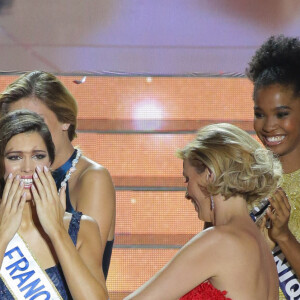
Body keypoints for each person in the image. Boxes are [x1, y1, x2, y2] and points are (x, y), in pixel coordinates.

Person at [125, 123, 281, 299]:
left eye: (187, 179)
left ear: (209, 174)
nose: (186, 193)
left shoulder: (219, 241)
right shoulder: (262, 249)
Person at [0, 71, 116, 279]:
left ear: (66, 120)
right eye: (16, 121)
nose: (26, 130)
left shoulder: (91, 179)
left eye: (36, 119)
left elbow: (84, 274)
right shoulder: (9, 178)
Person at [0, 110, 108, 299]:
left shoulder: (82, 229)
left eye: (38, 156)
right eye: (15, 157)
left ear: (50, 161)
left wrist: (57, 231)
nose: (27, 167)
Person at [246, 35, 300, 299]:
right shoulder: (242, 180)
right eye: (259, 114)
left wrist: (284, 237)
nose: (268, 126)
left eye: (281, 114)